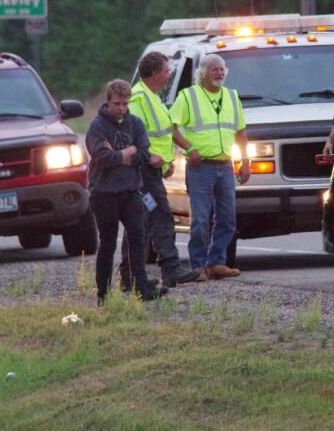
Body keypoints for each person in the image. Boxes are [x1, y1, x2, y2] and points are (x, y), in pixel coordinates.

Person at [119, 52, 201, 289]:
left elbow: (161, 136)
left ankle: (132, 275)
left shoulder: (153, 97)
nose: (169, 75)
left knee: (144, 220)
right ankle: (166, 269)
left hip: (152, 171)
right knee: (157, 217)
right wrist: (150, 159)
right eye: (166, 71)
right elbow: (130, 137)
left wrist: (166, 162)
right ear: (155, 74)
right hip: (142, 173)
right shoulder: (139, 99)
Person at [86, 79, 168, 304]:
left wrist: (121, 155)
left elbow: (143, 154)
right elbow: (102, 159)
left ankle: (141, 288)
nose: (121, 108)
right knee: (108, 243)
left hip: (131, 190)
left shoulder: (135, 123)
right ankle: (103, 295)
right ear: (108, 102)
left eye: (125, 104)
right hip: (104, 193)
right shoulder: (97, 126)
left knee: (137, 239)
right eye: (117, 104)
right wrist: (127, 153)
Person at [170, 54, 249, 279]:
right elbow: (172, 128)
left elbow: (240, 132)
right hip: (200, 167)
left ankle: (216, 262)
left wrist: (245, 161)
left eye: (222, 69)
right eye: (214, 69)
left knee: (227, 219)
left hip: (225, 166)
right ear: (203, 72)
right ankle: (198, 266)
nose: (220, 73)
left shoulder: (232, 97)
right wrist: (189, 149)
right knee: (200, 220)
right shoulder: (188, 96)